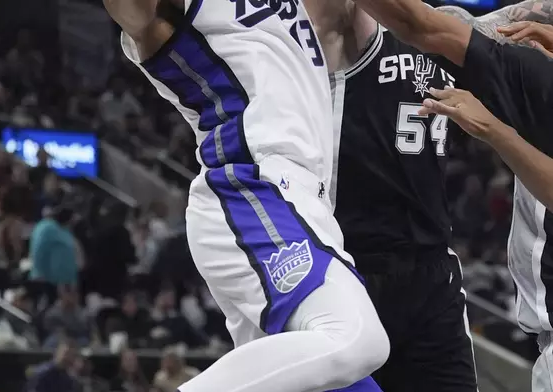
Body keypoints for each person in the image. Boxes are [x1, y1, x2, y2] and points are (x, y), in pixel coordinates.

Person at [103, 0, 389, 391]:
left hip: (304, 204)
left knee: (350, 381)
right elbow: (138, 14)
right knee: (358, 339)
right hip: (251, 184)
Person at [303, 1, 553, 390]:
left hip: (431, 272)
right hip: (349, 263)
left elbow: (528, 15)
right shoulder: (350, 20)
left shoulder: (454, 25)